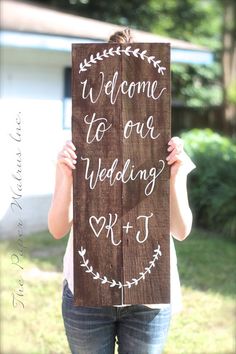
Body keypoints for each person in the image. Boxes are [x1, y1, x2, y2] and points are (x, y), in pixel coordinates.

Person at [48, 28, 196, 354]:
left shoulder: (166, 149)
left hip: (148, 301)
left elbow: (181, 230)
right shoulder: (78, 148)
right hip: (87, 298)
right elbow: (58, 228)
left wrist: (176, 174)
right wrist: (66, 174)